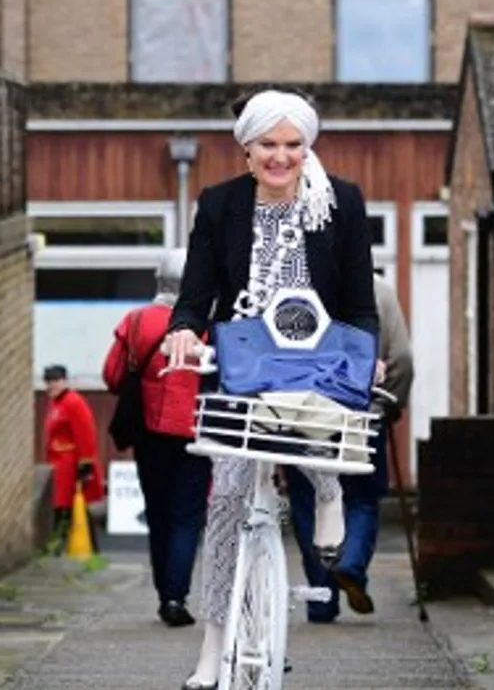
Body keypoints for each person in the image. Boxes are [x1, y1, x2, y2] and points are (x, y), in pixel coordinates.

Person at [163, 88, 380, 690]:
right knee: (226, 500)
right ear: (247, 149)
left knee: (319, 431)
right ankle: (211, 649)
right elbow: (196, 291)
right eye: (269, 146)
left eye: (293, 145)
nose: (281, 157)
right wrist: (183, 330)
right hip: (243, 360)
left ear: (306, 145)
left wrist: (368, 358)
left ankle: (328, 490)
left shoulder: (342, 203)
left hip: (316, 355)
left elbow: (360, 303)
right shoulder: (219, 204)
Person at [285, 272, 414, 622]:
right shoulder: (382, 292)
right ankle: (352, 565)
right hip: (362, 414)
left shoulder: (298, 287)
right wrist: (388, 405)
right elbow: (401, 356)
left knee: (308, 501)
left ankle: (322, 599)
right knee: (361, 497)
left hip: (305, 417)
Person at [102, 248, 212, 628]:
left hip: (148, 434)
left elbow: (113, 376)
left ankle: (164, 591)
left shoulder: (135, 322)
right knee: (186, 517)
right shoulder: (207, 324)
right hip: (195, 434)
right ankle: (175, 598)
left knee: (159, 514)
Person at [42, 365, 104, 553]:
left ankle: (68, 546)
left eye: (56, 381)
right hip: (58, 463)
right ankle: (71, 546)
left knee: (69, 506)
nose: (52, 386)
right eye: (49, 382)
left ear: (65, 381)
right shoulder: (55, 403)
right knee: (65, 505)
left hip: (70, 463)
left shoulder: (73, 402)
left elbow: (85, 434)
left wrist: (85, 464)